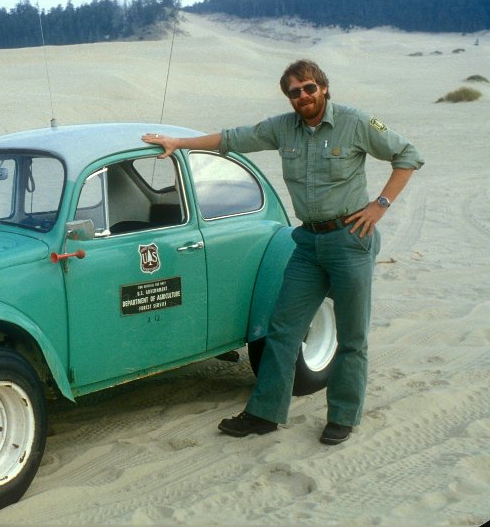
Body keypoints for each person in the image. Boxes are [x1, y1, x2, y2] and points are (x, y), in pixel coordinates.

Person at [141, 59, 423, 445]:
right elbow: (231, 139)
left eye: (309, 88)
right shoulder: (282, 128)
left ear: (323, 87)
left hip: (349, 241)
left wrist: (380, 205)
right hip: (307, 243)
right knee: (282, 330)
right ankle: (265, 413)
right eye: (294, 91)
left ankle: (342, 416)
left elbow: (407, 155)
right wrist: (178, 144)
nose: (303, 96)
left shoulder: (356, 123)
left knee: (353, 336)